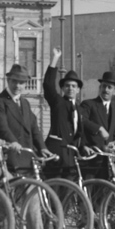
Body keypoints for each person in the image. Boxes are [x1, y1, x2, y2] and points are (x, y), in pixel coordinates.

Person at [0, 64, 55, 229]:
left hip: (26, 160)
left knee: (33, 201)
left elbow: (34, 128)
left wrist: (42, 148)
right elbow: (1, 127)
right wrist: (12, 142)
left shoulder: (25, 103)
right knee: (7, 203)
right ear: (8, 81)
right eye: (15, 81)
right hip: (8, 158)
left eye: (21, 82)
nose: (18, 85)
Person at [43, 47, 88, 177]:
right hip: (56, 154)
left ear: (78, 90)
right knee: (55, 190)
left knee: (69, 191)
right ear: (62, 88)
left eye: (73, 86)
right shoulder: (58, 102)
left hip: (70, 157)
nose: (70, 89)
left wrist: (84, 146)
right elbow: (48, 85)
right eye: (67, 86)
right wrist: (55, 59)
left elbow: (80, 133)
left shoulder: (79, 109)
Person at [80, 70, 115, 179]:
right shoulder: (89, 104)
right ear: (100, 88)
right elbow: (81, 120)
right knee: (87, 192)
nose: (106, 90)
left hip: (107, 162)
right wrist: (98, 128)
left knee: (104, 193)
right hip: (90, 158)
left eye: (109, 87)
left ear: (114, 91)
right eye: (103, 86)